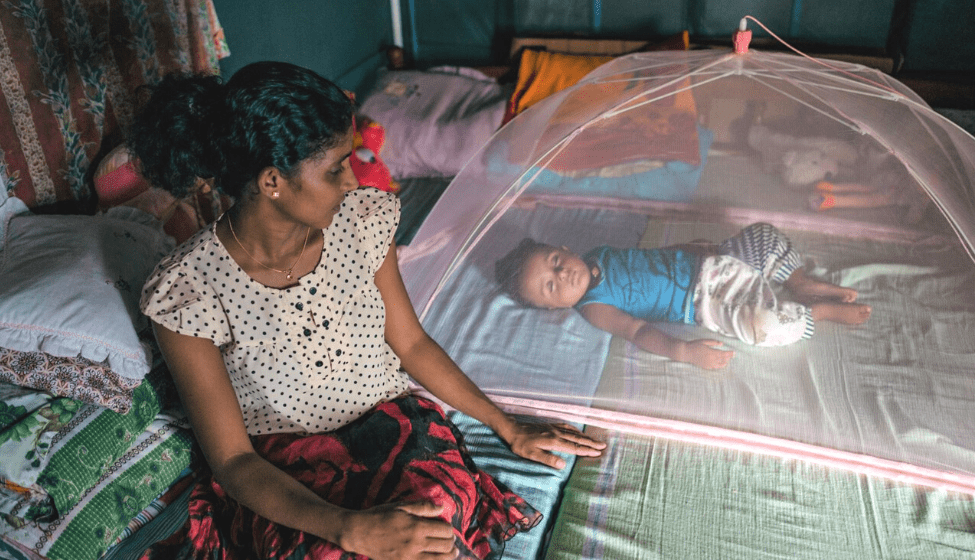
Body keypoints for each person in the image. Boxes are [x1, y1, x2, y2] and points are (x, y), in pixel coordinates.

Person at [132, 62, 605, 560]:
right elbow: (232, 460)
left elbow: (412, 343)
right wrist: (347, 529)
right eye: (336, 167)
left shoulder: (361, 222)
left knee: (433, 520)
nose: (351, 179)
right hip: (283, 472)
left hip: (391, 430)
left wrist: (506, 426)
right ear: (273, 182)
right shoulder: (187, 292)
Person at [495, 223, 871, 370]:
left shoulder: (598, 252)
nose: (562, 274)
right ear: (552, 307)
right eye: (551, 286)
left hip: (712, 259)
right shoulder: (593, 308)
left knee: (763, 236)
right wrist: (684, 352)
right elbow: (638, 330)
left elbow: (653, 256)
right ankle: (814, 312)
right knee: (762, 326)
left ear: (563, 246)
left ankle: (800, 280)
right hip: (708, 299)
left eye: (556, 261)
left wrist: (692, 246)